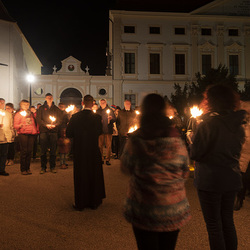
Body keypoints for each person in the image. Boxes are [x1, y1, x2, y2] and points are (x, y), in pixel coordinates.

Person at [121, 94, 191, 250]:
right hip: (172, 209)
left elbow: (125, 166)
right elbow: (185, 171)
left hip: (144, 208)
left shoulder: (137, 139)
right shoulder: (175, 138)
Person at [189, 84, 245, 250]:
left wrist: (192, 139)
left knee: (214, 225)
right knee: (227, 221)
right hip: (231, 178)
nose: (203, 101)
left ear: (213, 101)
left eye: (206, 98)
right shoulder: (237, 123)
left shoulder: (208, 124)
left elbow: (196, 153)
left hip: (210, 180)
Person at [66, 95, 105, 210]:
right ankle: (94, 202)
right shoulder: (97, 118)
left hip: (80, 150)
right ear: (92, 104)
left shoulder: (75, 117)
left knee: (81, 175)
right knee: (94, 174)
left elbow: (69, 134)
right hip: (93, 149)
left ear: (82, 103)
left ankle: (81, 203)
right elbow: (99, 132)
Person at [36, 93, 62, 174]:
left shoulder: (57, 109)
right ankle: (43, 167)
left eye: (51, 97)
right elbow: (38, 119)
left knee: (53, 150)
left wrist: (55, 125)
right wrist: (46, 125)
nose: (49, 99)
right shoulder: (41, 108)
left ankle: (52, 166)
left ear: (53, 98)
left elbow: (60, 120)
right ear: (45, 98)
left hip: (53, 131)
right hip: (44, 131)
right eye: (48, 97)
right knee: (43, 150)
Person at [14, 100, 38, 175]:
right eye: (24, 104)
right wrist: (19, 125)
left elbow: (33, 123)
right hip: (23, 133)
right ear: (21, 105)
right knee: (24, 151)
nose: (26, 106)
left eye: (27, 104)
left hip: (31, 133)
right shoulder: (18, 114)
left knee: (29, 151)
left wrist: (35, 130)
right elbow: (15, 125)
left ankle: (28, 168)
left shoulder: (30, 114)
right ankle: (23, 169)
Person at [96, 99, 116, 165]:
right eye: (101, 103)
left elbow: (114, 119)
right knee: (100, 145)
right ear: (100, 103)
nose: (102, 103)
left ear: (106, 103)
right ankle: (101, 158)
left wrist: (111, 118)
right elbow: (95, 119)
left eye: (104, 102)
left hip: (108, 130)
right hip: (100, 130)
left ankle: (107, 159)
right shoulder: (98, 111)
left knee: (108, 146)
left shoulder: (110, 110)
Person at [0, 98, 14, 176]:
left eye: (3, 103)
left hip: (5, 137)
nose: (2, 104)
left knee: (4, 154)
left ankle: (2, 169)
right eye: (0, 102)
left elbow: (11, 126)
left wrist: (11, 135)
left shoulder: (8, 114)